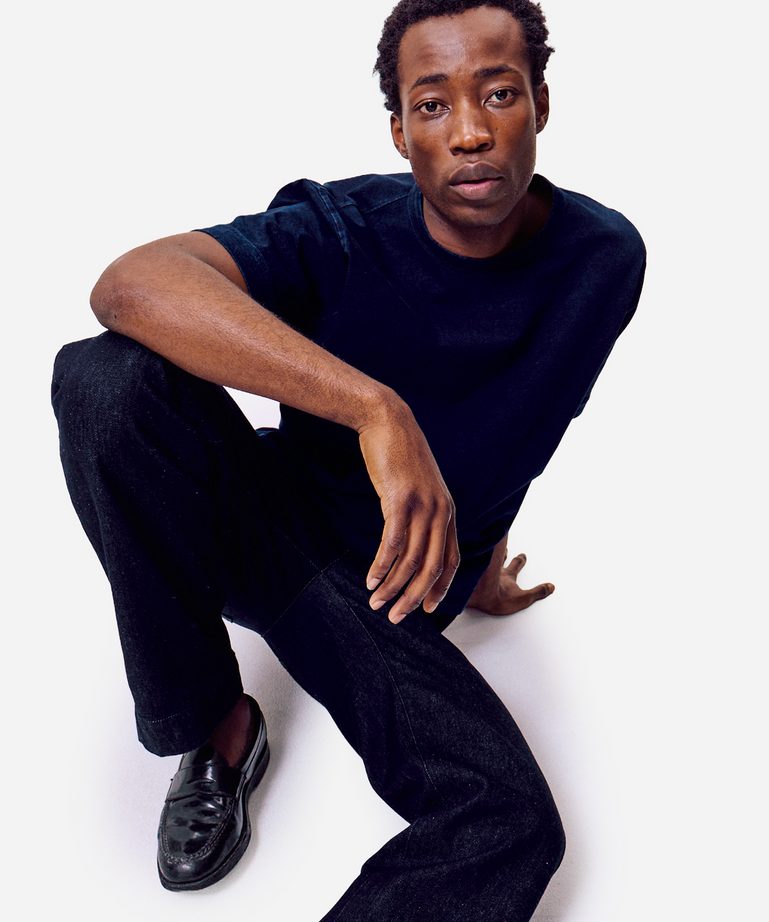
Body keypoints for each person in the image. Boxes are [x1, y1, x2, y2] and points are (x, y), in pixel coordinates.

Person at [51, 0, 645, 918]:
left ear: (541, 103)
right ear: (400, 131)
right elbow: (129, 284)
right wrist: (375, 410)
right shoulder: (340, 229)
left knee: (508, 822)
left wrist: (480, 556)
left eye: (498, 94)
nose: (471, 132)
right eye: (433, 105)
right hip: (267, 524)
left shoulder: (603, 260)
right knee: (106, 379)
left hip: (393, 591)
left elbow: (534, 413)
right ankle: (213, 723)